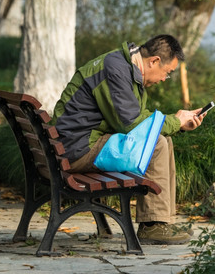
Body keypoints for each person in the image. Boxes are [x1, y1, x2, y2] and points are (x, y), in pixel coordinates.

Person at [52, 34, 206, 245]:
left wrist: (178, 123)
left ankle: (162, 222)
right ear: (154, 61)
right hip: (76, 149)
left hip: (71, 144)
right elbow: (131, 123)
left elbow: (132, 121)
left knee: (161, 140)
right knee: (157, 143)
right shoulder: (116, 70)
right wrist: (175, 121)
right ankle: (152, 226)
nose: (163, 79)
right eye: (167, 73)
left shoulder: (122, 66)